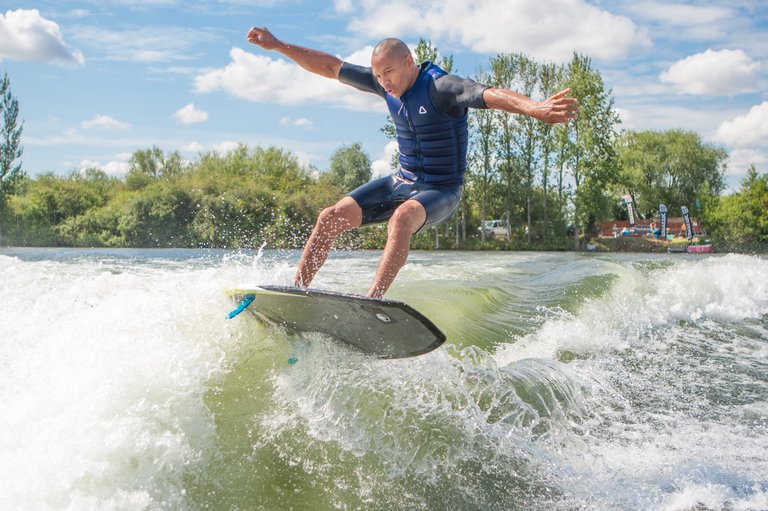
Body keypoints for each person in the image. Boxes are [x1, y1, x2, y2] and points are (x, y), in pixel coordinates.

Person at [246, 27, 579, 298]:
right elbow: (332, 67)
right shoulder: (385, 85)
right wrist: (278, 46)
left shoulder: (441, 86)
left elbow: (488, 94)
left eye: (388, 72)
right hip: (402, 181)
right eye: (379, 75)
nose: (384, 81)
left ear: (408, 61)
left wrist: (534, 108)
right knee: (329, 217)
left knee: (401, 219)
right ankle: (295, 294)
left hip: (441, 190)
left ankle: (372, 301)